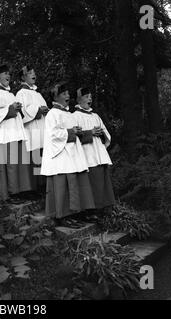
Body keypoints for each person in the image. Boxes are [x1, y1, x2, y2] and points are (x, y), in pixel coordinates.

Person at [41, 82, 95, 227]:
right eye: (64, 94)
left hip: (73, 154)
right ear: (56, 97)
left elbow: (74, 133)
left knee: (75, 183)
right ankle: (62, 216)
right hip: (61, 156)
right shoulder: (52, 114)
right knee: (63, 185)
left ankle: (75, 213)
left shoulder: (69, 114)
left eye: (68, 93)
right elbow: (52, 134)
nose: (68, 96)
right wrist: (71, 132)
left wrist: (78, 132)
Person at [0, 64, 35, 201]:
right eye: (5, 73)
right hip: (4, 135)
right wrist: (10, 109)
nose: (8, 76)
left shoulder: (10, 94)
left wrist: (17, 109)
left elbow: (15, 113)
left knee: (18, 164)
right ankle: (11, 193)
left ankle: (20, 192)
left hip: (15, 133)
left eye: (8, 73)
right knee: (11, 166)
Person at [73, 87, 115, 216]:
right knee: (92, 184)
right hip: (87, 155)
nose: (89, 99)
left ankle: (104, 209)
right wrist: (89, 133)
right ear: (79, 100)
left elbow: (106, 134)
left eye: (90, 96)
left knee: (103, 182)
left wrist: (101, 134)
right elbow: (74, 138)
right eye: (86, 96)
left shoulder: (95, 116)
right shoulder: (74, 116)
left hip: (99, 153)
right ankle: (91, 212)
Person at [15, 66, 48, 188]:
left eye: (34, 72)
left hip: (41, 128)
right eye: (30, 73)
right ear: (23, 77)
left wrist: (45, 111)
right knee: (35, 159)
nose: (33, 75)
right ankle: (35, 187)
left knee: (42, 157)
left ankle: (43, 186)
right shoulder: (20, 94)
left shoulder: (38, 94)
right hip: (31, 130)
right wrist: (37, 111)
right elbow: (21, 113)